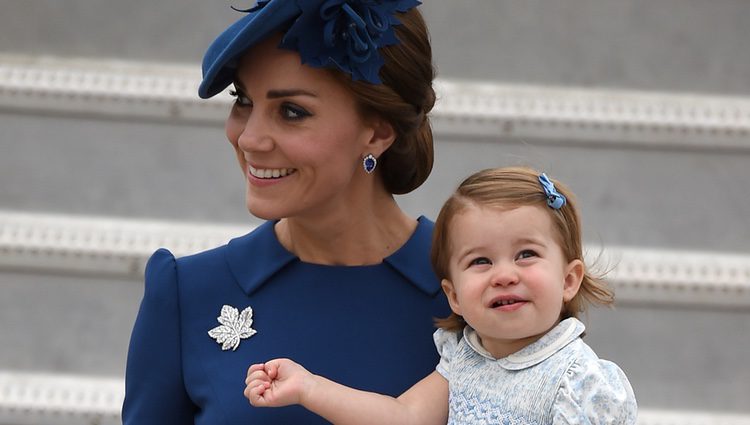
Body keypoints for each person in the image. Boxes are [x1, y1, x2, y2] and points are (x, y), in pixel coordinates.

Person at [122, 0, 450, 423]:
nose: (250, 139)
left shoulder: (481, 289)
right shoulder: (187, 294)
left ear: (378, 131)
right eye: (242, 100)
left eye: (292, 112)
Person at [245, 166, 638, 424]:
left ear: (569, 280)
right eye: (481, 261)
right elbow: (404, 416)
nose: (504, 275)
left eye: (526, 255)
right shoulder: (464, 356)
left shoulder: (580, 381)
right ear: (453, 296)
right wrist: (309, 387)